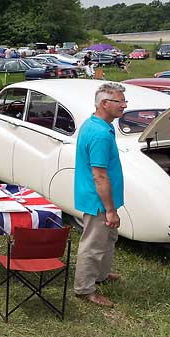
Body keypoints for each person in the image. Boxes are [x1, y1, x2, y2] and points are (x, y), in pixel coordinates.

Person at [73, 82, 127, 308]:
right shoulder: (100, 134)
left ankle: (101, 275)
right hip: (99, 201)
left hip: (101, 198)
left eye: (125, 101)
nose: (124, 106)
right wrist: (110, 209)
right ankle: (85, 288)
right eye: (120, 101)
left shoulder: (99, 124)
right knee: (93, 243)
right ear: (105, 104)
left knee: (108, 238)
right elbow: (100, 176)